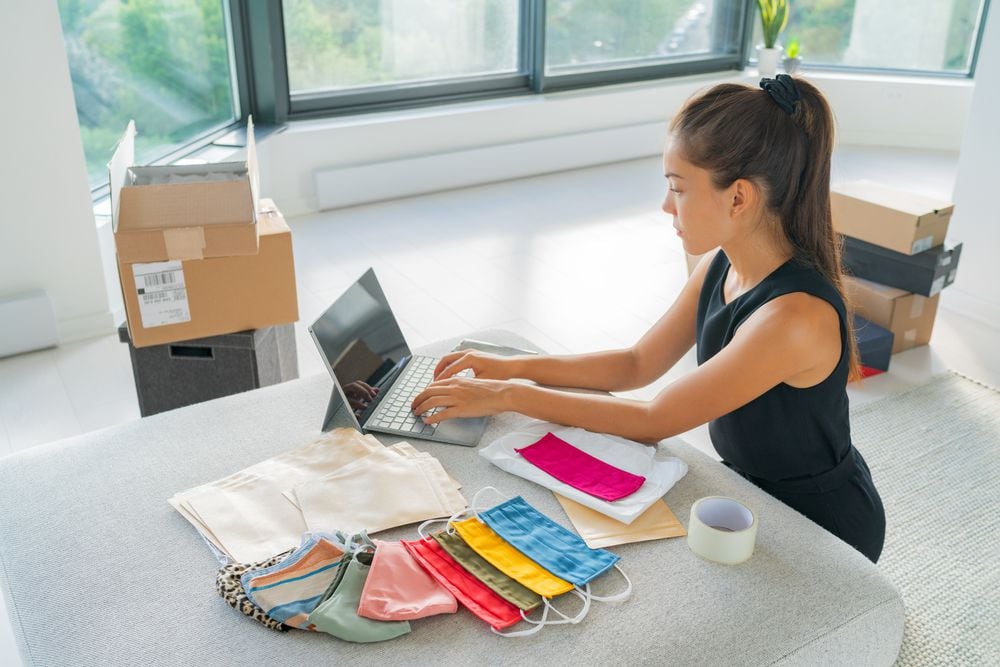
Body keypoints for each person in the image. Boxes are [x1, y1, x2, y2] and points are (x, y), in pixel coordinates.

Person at [411, 75, 886, 563]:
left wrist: (509, 396)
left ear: (738, 198)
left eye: (677, 189)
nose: (666, 206)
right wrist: (511, 366)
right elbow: (636, 364)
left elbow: (654, 419)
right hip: (747, 490)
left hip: (820, 523)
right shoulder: (721, 264)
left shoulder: (794, 318)